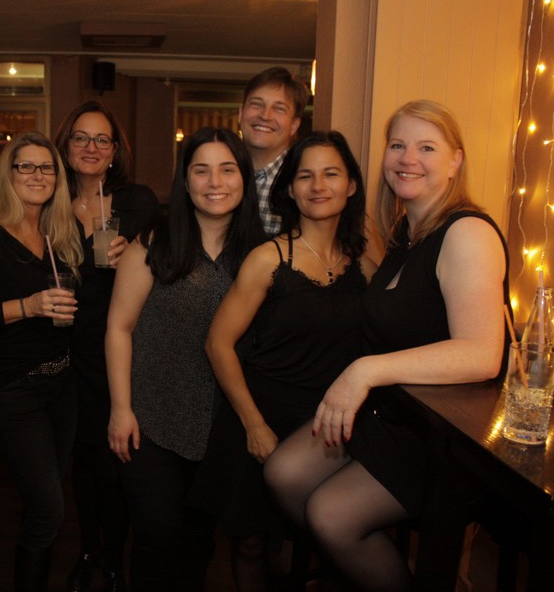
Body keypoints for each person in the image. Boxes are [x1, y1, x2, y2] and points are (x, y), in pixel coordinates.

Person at [263, 100, 510, 591]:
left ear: (455, 161)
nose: (408, 158)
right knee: (283, 473)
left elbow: (484, 354)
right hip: (390, 415)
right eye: (398, 145)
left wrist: (365, 371)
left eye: (427, 148)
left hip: (441, 438)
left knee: (331, 515)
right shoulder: (405, 234)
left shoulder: (467, 232)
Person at [191, 131, 377, 591]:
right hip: (260, 413)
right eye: (305, 176)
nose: (318, 186)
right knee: (251, 542)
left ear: (351, 185)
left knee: (312, 541)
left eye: (331, 174)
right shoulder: (267, 259)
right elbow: (218, 343)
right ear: (290, 189)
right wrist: (253, 425)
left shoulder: (365, 264)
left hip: (326, 424)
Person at [106, 127, 266, 591]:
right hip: (151, 419)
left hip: (222, 427)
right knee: (157, 537)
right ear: (185, 179)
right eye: (201, 170)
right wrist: (120, 409)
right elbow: (119, 327)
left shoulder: (261, 252)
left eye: (227, 169)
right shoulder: (154, 241)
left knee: (198, 546)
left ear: (244, 177)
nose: (215, 182)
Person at [0, 131, 83, 592]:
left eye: (47, 167)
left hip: (62, 387)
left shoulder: (60, 234)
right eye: (26, 166)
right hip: (12, 391)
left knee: (46, 501)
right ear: (8, 174)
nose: (37, 175)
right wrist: (27, 306)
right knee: (48, 508)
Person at [54, 100, 160, 592]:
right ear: (66, 146)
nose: (91, 147)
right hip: (67, 349)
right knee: (82, 460)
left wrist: (134, 255)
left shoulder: (137, 202)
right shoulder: (49, 201)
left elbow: (168, 268)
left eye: (102, 140)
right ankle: (88, 548)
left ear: (115, 151)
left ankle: (115, 555)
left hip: (119, 349)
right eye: (81, 138)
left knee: (116, 459)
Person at [238, 66, 309, 235]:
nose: (265, 115)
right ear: (240, 113)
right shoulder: (219, 174)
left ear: (294, 125)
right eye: (256, 104)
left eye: (279, 109)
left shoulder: (304, 181)